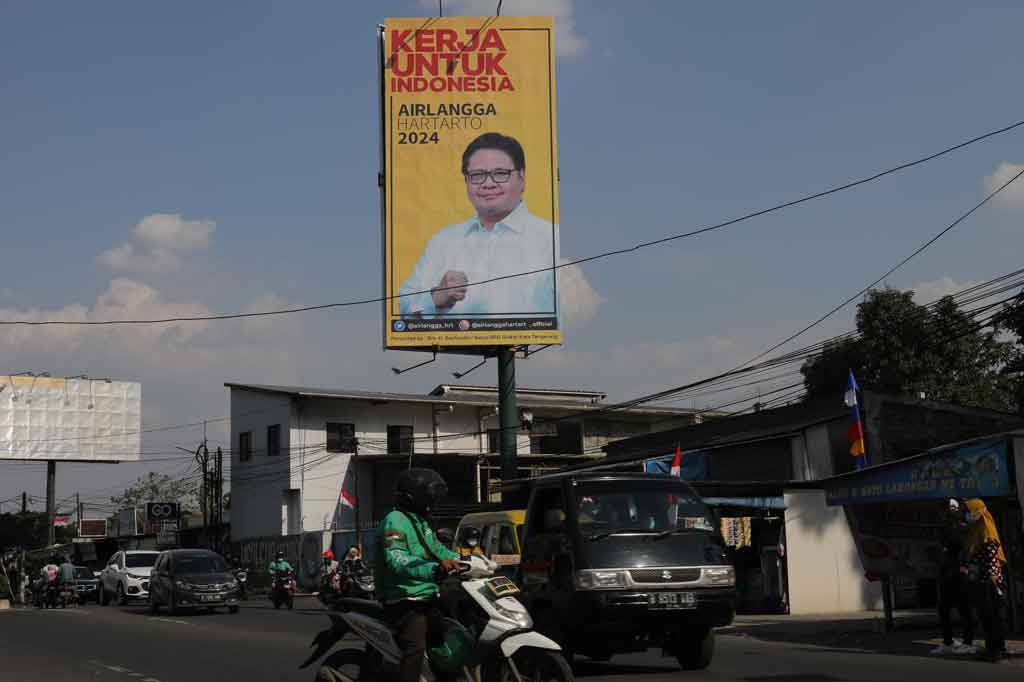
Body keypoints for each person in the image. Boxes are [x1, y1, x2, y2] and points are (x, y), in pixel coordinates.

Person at [397, 132, 558, 318]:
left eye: (500, 173)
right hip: (455, 338)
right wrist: (435, 298)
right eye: (477, 175)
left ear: (522, 177)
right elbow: (404, 308)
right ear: (466, 181)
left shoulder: (551, 238)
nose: (488, 184)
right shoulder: (444, 240)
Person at [376, 468, 462, 682]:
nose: (432, 503)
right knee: (415, 647)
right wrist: (433, 569)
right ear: (412, 498)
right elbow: (397, 558)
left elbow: (437, 550)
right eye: (429, 498)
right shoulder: (394, 520)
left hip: (426, 595)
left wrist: (464, 561)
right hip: (403, 598)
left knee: (445, 638)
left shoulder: (420, 522)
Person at [964, 499, 1008, 662]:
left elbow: (992, 557)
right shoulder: (975, 530)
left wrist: (993, 579)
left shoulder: (986, 530)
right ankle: (993, 648)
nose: (967, 515)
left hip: (989, 582)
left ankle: (996, 650)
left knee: (991, 617)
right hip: (981, 580)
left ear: (977, 512)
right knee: (986, 617)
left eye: (969, 511)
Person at [931, 499, 976, 655]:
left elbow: (961, 548)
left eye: (946, 509)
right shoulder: (946, 527)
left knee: (964, 609)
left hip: (958, 572)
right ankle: (948, 642)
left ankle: (968, 642)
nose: (943, 513)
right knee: (944, 609)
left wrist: (962, 568)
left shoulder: (961, 527)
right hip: (947, 573)